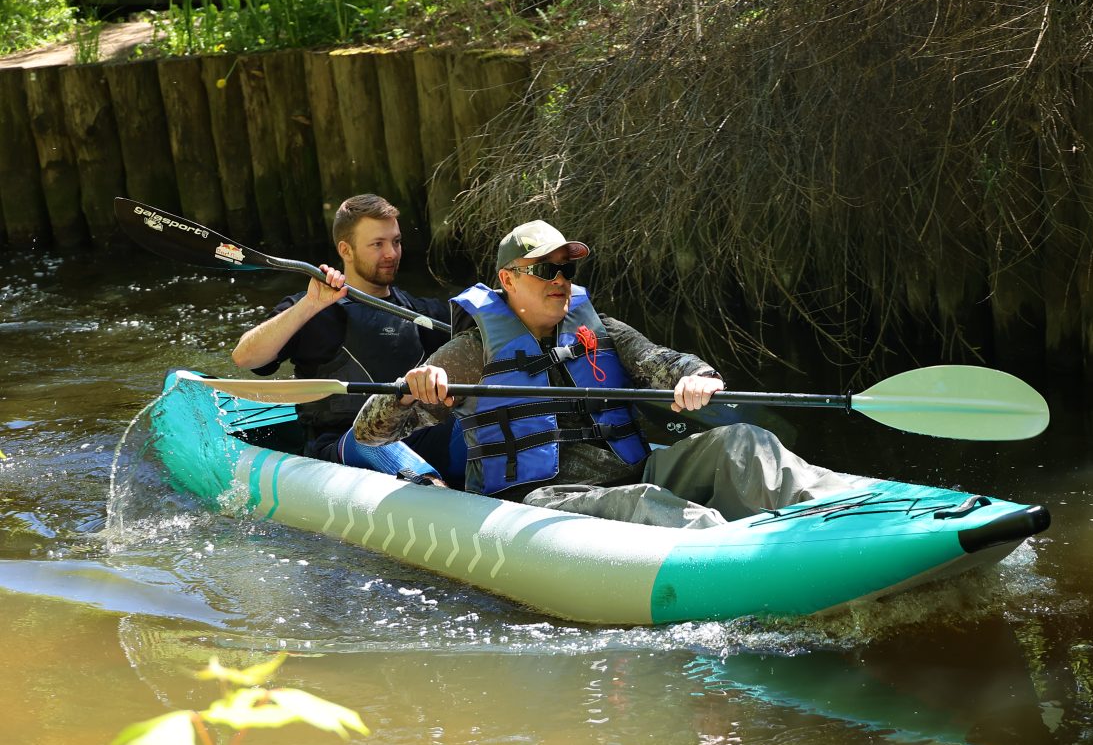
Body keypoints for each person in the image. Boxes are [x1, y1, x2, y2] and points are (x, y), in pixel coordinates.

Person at [351, 220, 855, 526]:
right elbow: (370, 433)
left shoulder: (601, 329)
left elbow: (662, 361)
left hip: (634, 474)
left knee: (743, 440)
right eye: (546, 270)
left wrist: (697, 375)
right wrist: (402, 395)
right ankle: (745, 557)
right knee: (645, 504)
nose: (562, 281)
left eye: (567, 270)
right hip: (542, 500)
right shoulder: (469, 351)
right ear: (508, 279)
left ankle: (843, 514)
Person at [232, 194, 462, 487]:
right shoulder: (315, 312)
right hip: (343, 445)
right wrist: (310, 305)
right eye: (377, 244)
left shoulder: (423, 313)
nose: (391, 253)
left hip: (415, 434)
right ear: (346, 250)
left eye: (396, 241)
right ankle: (436, 494)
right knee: (372, 435)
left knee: (481, 420)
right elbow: (245, 357)